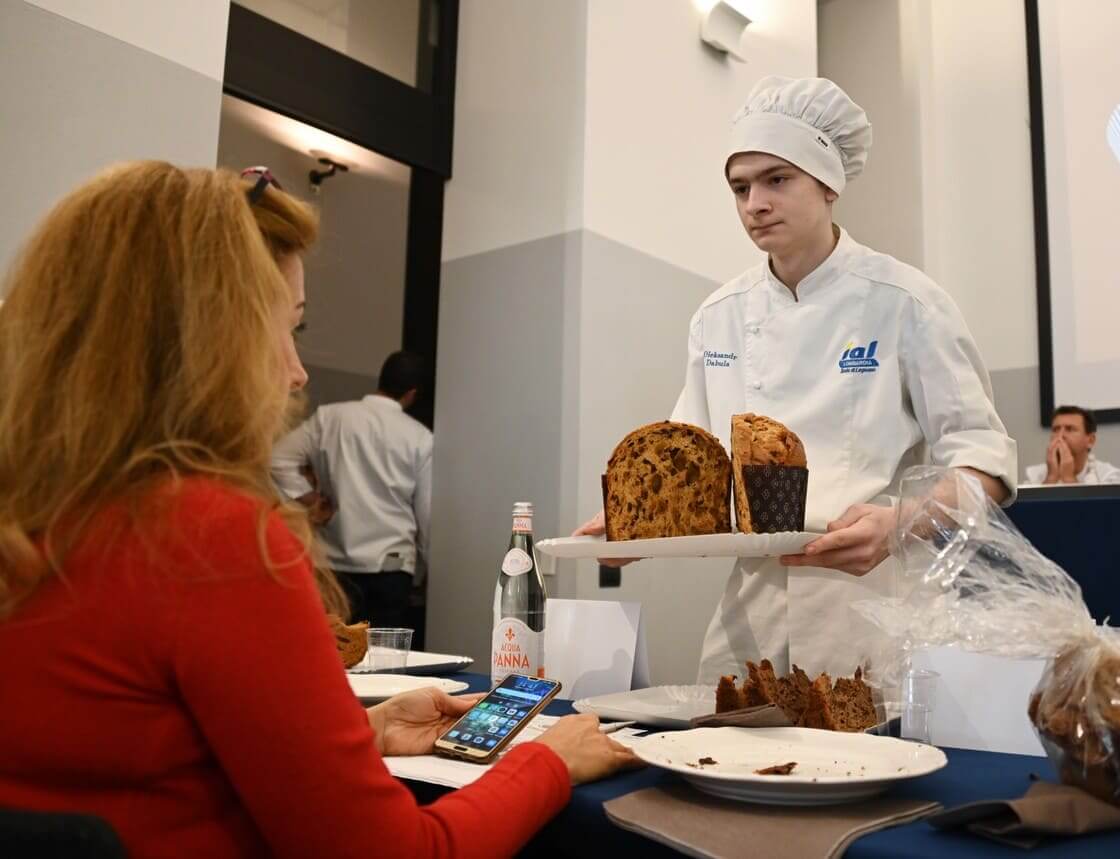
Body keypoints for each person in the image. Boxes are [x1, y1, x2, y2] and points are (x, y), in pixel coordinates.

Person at [0, 161, 635, 858]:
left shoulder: (37, 525)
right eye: (289, 328)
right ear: (212, 339)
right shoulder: (208, 539)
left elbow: (148, 755)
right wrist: (547, 761)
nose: (298, 372)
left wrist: (366, 731)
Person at [577, 77, 1017, 681]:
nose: (754, 203)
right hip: (750, 607)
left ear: (829, 184)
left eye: (776, 180)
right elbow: (690, 457)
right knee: (723, 761)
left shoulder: (907, 303)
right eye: (740, 187)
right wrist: (638, 528)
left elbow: (985, 466)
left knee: (865, 764)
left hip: (869, 602)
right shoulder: (719, 316)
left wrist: (902, 524)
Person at [273, 350, 433, 641]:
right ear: (412, 393)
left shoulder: (329, 418)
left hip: (333, 563)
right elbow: (425, 513)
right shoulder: (419, 437)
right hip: (390, 565)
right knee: (384, 659)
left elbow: (278, 459)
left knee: (334, 651)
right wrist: (426, 570)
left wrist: (311, 500)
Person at [1025, 405, 1120, 485]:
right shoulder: (1033, 475)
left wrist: (1068, 478)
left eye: (1070, 429)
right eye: (1056, 429)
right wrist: (1051, 478)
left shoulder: (1109, 476)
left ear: (1090, 440)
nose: (1060, 435)